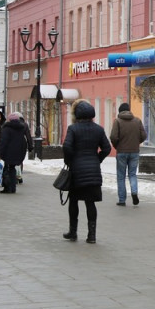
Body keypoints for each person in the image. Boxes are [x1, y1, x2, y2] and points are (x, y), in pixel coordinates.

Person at [61, 101, 112, 243]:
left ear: (77, 114)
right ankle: (92, 235)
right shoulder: (99, 129)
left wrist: (69, 160)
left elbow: (67, 147)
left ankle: (73, 231)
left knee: (74, 201)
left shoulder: (73, 129)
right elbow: (107, 148)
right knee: (90, 203)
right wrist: (97, 159)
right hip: (93, 171)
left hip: (77, 171)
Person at [109, 102, 147, 206]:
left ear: (120, 111)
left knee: (121, 176)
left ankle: (122, 200)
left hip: (121, 152)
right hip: (134, 152)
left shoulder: (117, 121)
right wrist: (136, 143)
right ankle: (134, 192)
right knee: (132, 174)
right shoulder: (137, 121)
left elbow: (113, 137)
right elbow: (144, 135)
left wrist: (117, 145)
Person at [0, 113, 28, 193]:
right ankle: (13, 187)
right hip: (17, 152)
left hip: (8, 152)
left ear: (9, 120)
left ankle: (7, 187)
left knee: (6, 169)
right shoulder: (21, 128)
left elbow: (4, 142)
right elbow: (23, 141)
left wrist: (0, 153)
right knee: (12, 169)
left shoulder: (6, 129)